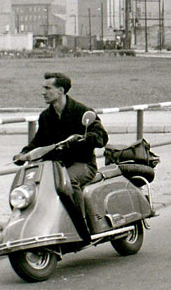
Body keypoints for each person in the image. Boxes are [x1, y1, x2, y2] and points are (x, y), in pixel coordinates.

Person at [13, 72, 108, 243]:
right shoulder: (46, 116)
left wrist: (84, 140)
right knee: (35, 187)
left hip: (83, 164)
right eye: (44, 88)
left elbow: (101, 137)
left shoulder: (82, 112)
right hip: (56, 166)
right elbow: (38, 141)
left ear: (60, 91)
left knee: (68, 182)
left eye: (47, 88)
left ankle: (82, 226)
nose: (43, 92)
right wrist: (24, 153)